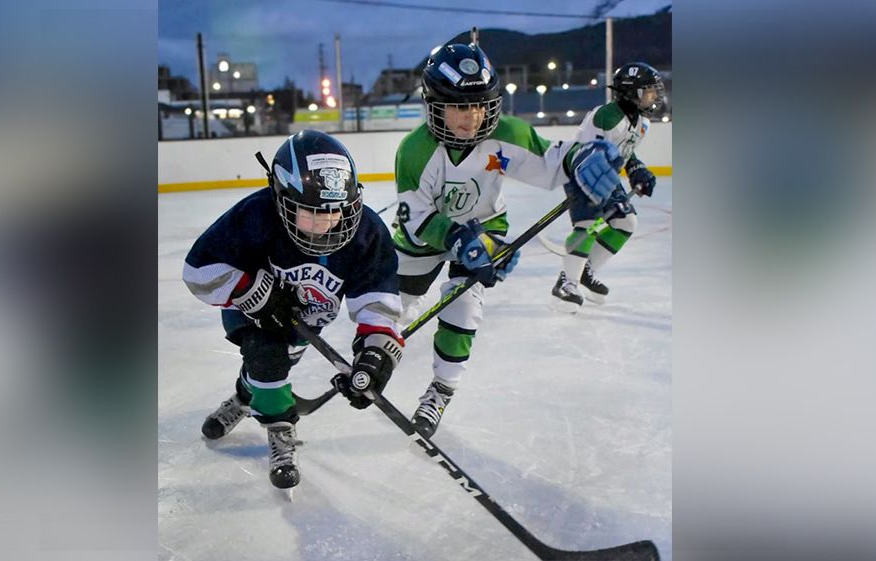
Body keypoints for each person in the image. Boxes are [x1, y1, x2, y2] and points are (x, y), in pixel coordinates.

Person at [392, 40, 626, 438]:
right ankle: (376, 353)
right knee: (394, 307)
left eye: (480, 105)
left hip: (483, 230)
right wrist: (453, 236)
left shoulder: (506, 134)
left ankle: (441, 389)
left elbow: (552, 162)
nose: (473, 118)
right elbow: (415, 217)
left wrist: (580, 158)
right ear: (435, 106)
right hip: (425, 235)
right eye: (460, 107)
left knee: (463, 307)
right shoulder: (414, 152)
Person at [182, 130, 404, 491]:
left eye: (335, 212)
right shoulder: (257, 215)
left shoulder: (367, 233)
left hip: (310, 318)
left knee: (271, 366)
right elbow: (199, 270)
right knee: (265, 355)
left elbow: (377, 301)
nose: (324, 225)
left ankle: (243, 396)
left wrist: (375, 355)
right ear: (281, 197)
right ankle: (281, 428)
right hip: (251, 307)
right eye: (310, 213)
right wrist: (252, 291)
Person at [551, 62, 666, 311]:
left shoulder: (641, 122)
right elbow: (591, 156)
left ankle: (584, 270)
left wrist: (636, 169)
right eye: (648, 91)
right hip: (581, 175)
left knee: (626, 222)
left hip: (605, 177)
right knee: (588, 225)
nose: (654, 96)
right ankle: (566, 284)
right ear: (631, 92)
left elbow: (624, 152)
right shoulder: (606, 116)